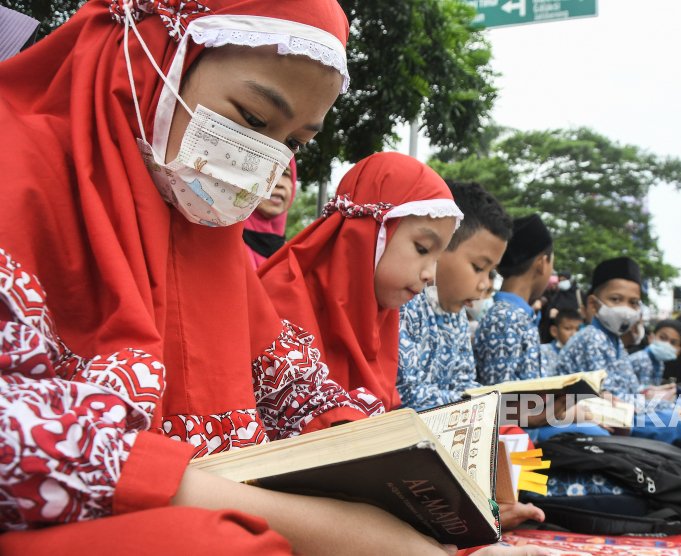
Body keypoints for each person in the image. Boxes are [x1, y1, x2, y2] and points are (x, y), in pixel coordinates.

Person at [0, 1, 540, 554]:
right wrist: (315, 526)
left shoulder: (208, 234)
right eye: (254, 121)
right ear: (159, 52)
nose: (269, 162)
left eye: (296, 143)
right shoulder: (16, 168)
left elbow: (300, 396)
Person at [257, 152, 464, 413]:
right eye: (422, 249)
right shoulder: (278, 302)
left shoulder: (384, 314)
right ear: (369, 232)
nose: (430, 275)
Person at [556, 258, 681, 452]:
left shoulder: (614, 341)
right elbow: (611, 399)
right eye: (616, 299)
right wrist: (671, 410)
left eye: (633, 303)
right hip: (595, 417)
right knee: (673, 423)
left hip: (620, 410)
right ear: (593, 304)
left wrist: (661, 399)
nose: (625, 309)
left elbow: (630, 389)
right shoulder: (593, 338)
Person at [396, 180, 512, 411]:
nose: (485, 284)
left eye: (491, 273)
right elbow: (406, 394)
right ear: (440, 245)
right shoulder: (403, 302)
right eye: (479, 267)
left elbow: (464, 382)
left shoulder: (456, 315)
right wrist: (490, 406)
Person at [474, 214, 557, 385]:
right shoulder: (505, 318)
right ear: (542, 263)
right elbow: (499, 399)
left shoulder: (517, 315)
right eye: (552, 264)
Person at [243, 159, 298, 269]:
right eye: (268, 170)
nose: (279, 183)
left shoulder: (294, 260)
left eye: (286, 174)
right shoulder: (224, 243)